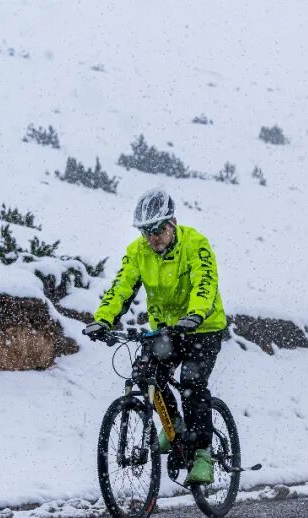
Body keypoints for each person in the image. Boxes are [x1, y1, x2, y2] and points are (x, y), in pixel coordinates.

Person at [83, 187, 227, 485]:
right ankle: (172, 423)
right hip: (166, 329)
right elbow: (120, 288)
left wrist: (196, 314)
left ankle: (203, 454)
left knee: (191, 381)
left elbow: (205, 282)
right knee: (144, 372)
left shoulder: (196, 244)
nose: (152, 237)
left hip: (204, 327)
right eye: (146, 231)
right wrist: (103, 319)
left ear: (172, 222)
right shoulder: (138, 253)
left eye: (158, 229)